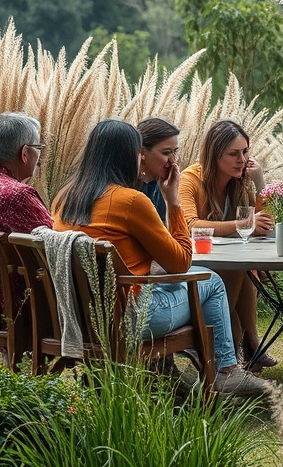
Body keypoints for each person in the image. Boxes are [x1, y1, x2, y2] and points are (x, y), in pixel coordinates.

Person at [52, 119, 270, 398]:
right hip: (127, 318)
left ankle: (196, 368)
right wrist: (172, 201)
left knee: (185, 280)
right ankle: (226, 372)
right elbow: (179, 262)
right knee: (212, 281)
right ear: (127, 155)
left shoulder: (63, 197)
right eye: (138, 153)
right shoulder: (130, 200)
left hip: (76, 314)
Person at [179, 119, 275, 371]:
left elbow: (268, 224)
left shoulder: (239, 181)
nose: (241, 159)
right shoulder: (190, 179)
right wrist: (242, 224)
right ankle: (243, 346)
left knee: (241, 266)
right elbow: (190, 225)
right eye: (233, 154)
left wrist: (260, 183)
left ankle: (248, 344)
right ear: (213, 155)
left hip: (227, 263)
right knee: (237, 267)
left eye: (245, 152)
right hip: (193, 264)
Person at [137, 117, 181, 224]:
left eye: (175, 152)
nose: (173, 161)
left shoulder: (154, 186)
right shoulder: (133, 193)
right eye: (166, 153)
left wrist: (172, 198)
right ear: (143, 153)